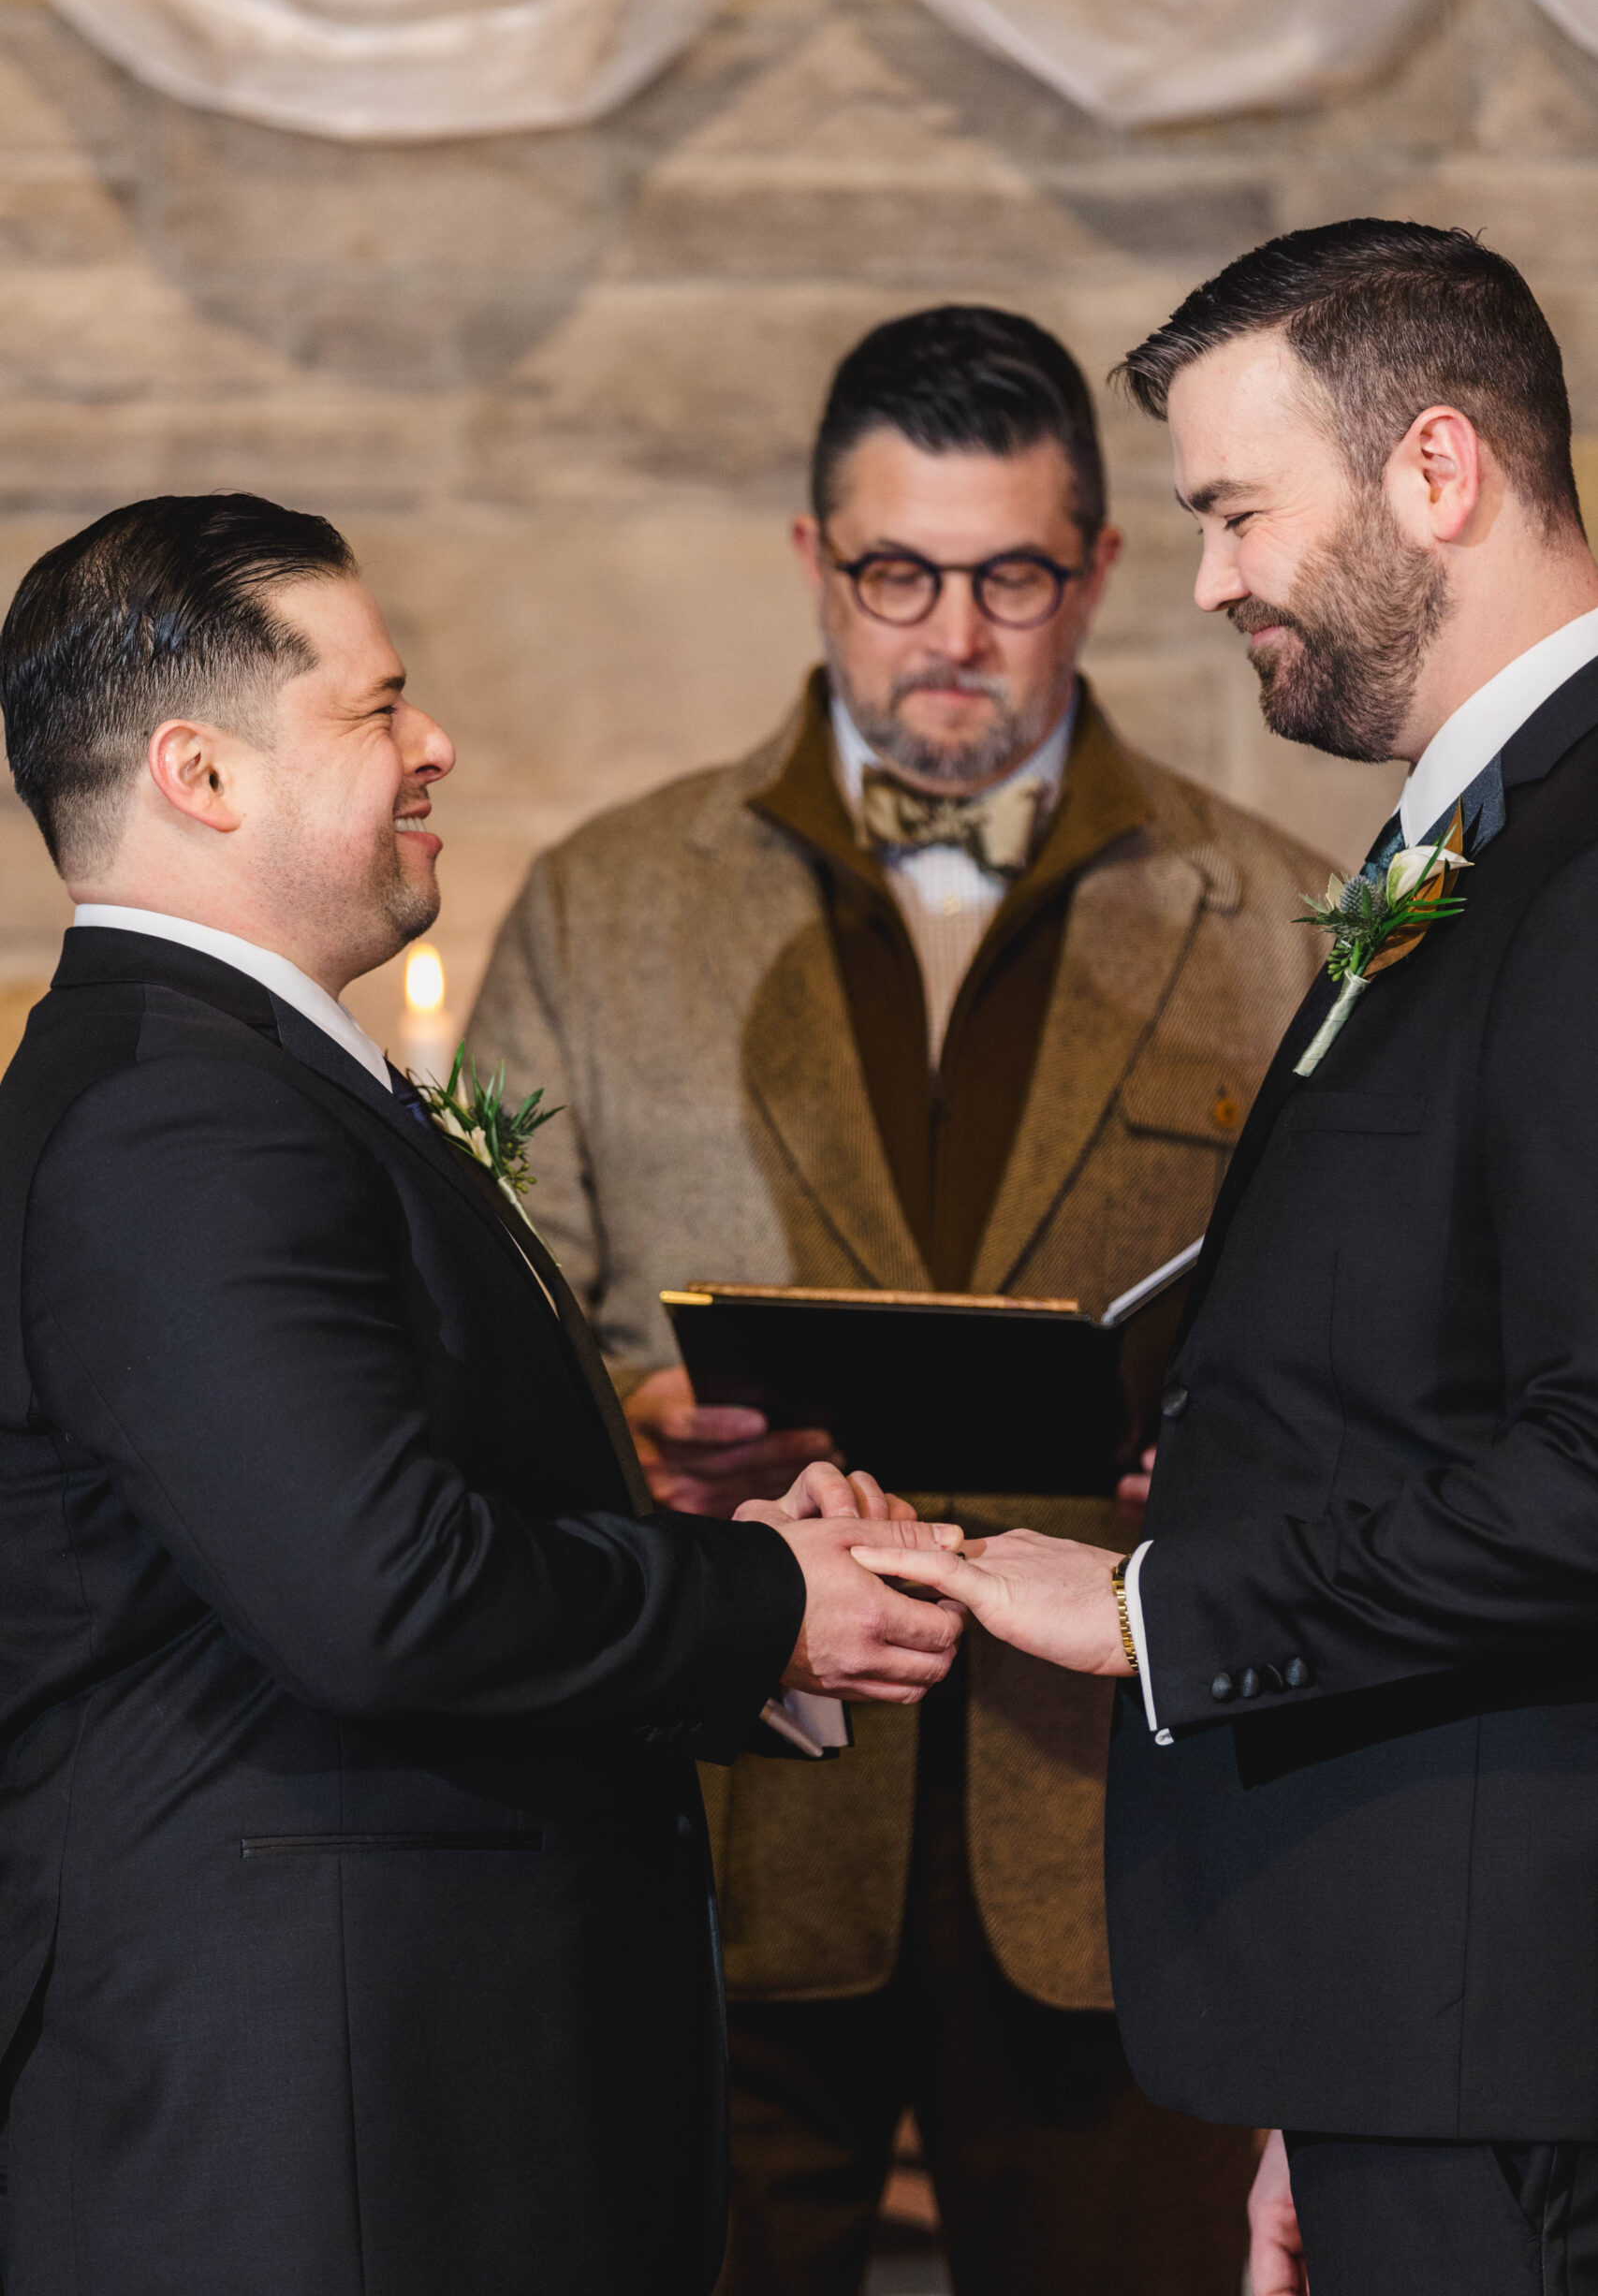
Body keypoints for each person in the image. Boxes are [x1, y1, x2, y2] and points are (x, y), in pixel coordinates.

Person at [0, 493, 965, 2296]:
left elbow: (342, 1528)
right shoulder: (177, 1114)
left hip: (397, 2094)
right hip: (316, 2136)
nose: (436, 742)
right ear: (202, 777)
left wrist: (709, 1544)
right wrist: (764, 1609)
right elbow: (386, 1595)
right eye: (378, 711)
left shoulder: (237, 1080)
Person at [466, 304, 1331, 2296]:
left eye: (1011, 573)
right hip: (729, 1806)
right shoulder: (607, 896)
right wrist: (632, 1429)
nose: (951, 627)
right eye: (895, 571)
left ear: (1100, 573)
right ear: (809, 561)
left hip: (1117, 1835)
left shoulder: (1275, 916)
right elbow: (497, 1318)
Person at [862, 223, 1598, 2295]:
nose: (1201, 579)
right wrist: (1326, 2061)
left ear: (1432, 472)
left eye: (1231, 509)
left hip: (1516, 2036)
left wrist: (1150, 1607)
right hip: (1414, 2016)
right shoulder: (1467, 834)